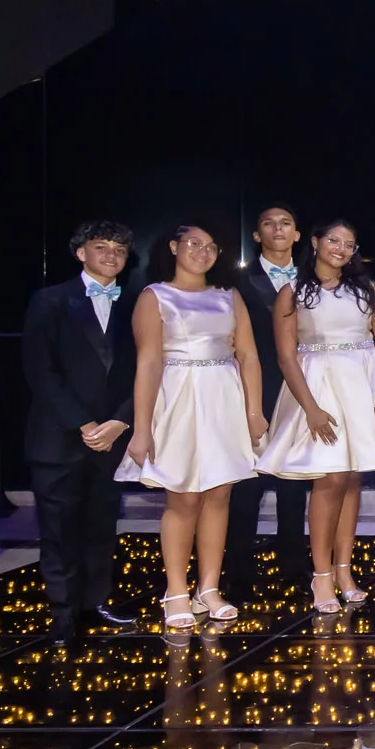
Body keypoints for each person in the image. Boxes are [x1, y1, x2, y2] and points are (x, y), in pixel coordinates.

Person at [257, 220, 375, 614]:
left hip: (364, 387)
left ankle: (344, 571)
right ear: (314, 242)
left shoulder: (367, 289)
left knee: (352, 478)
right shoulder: (292, 293)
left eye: (349, 244)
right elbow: (285, 356)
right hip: (318, 388)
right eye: (333, 240)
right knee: (329, 479)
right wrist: (310, 407)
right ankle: (321, 575)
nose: (341, 249)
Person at [118, 223, 266, 629]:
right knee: (182, 498)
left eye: (211, 246)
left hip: (223, 397)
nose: (203, 252)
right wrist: (142, 427)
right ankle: (176, 590)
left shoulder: (228, 296)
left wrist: (255, 412)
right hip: (179, 398)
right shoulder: (155, 296)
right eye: (194, 244)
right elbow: (147, 364)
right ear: (173, 247)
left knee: (219, 494)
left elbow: (249, 356)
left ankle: (209, 587)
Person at [22, 219, 140, 644]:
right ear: (81, 253)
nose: (111, 255)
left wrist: (120, 421)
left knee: (100, 525)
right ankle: (63, 613)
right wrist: (86, 424)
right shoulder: (50, 300)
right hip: (59, 436)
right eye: (101, 246)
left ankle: (95, 603)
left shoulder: (136, 304)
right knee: (57, 528)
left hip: (113, 437)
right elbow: (41, 370)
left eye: (120, 250)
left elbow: (146, 371)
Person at [228, 205, 310, 590]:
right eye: (268, 223)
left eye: (286, 223)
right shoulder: (236, 282)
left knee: (294, 484)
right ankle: (239, 571)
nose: (278, 229)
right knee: (248, 486)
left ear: (297, 234)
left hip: (303, 391)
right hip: (255, 389)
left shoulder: (315, 279)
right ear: (257, 235)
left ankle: (294, 566)